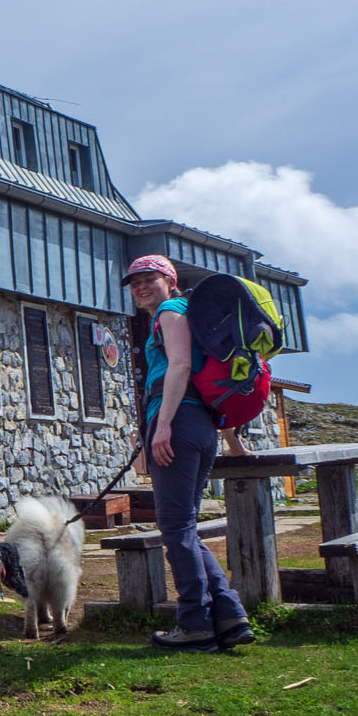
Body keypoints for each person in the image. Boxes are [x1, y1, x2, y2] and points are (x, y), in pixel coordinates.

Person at [125, 254, 255, 652]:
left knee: (175, 528)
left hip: (178, 423)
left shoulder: (171, 310)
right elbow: (211, 376)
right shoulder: (196, 315)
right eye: (135, 282)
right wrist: (232, 438)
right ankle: (230, 616)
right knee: (184, 528)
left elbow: (180, 367)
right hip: (201, 425)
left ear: (171, 280)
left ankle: (195, 624)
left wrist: (160, 426)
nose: (141, 287)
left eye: (150, 278)